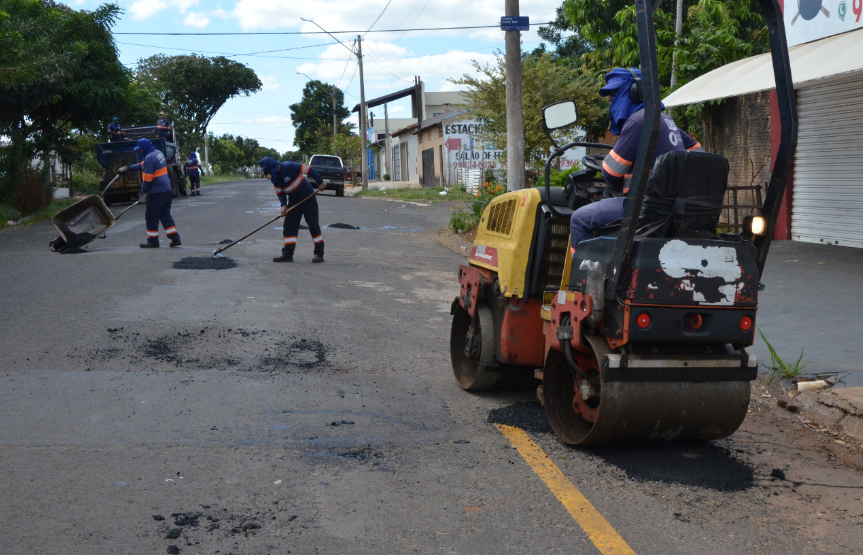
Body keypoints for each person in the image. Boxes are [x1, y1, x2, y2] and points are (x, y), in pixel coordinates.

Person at [570, 67, 703, 252]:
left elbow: (610, 173)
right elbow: (700, 153)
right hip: (670, 207)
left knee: (579, 219)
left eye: (615, 93)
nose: (611, 100)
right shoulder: (664, 120)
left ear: (636, 91)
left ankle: (582, 279)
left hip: (643, 208)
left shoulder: (638, 121)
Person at [258, 156, 326, 263]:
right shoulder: (275, 179)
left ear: (270, 167)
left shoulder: (289, 166)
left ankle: (319, 254)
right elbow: (280, 193)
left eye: (266, 170)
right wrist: (284, 205)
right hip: (294, 201)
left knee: (313, 225)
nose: (266, 173)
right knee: (289, 226)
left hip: (308, 197)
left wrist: (320, 182)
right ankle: (287, 254)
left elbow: (309, 169)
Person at [120, 138, 181, 248]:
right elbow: (143, 164)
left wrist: (143, 193)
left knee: (151, 216)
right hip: (167, 191)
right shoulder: (158, 153)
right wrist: (129, 168)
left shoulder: (149, 158)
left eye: (141, 149)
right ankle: (175, 238)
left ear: (145, 148)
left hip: (157, 192)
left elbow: (147, 179)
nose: (140, 151)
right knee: (165, 214)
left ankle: (153, 241)